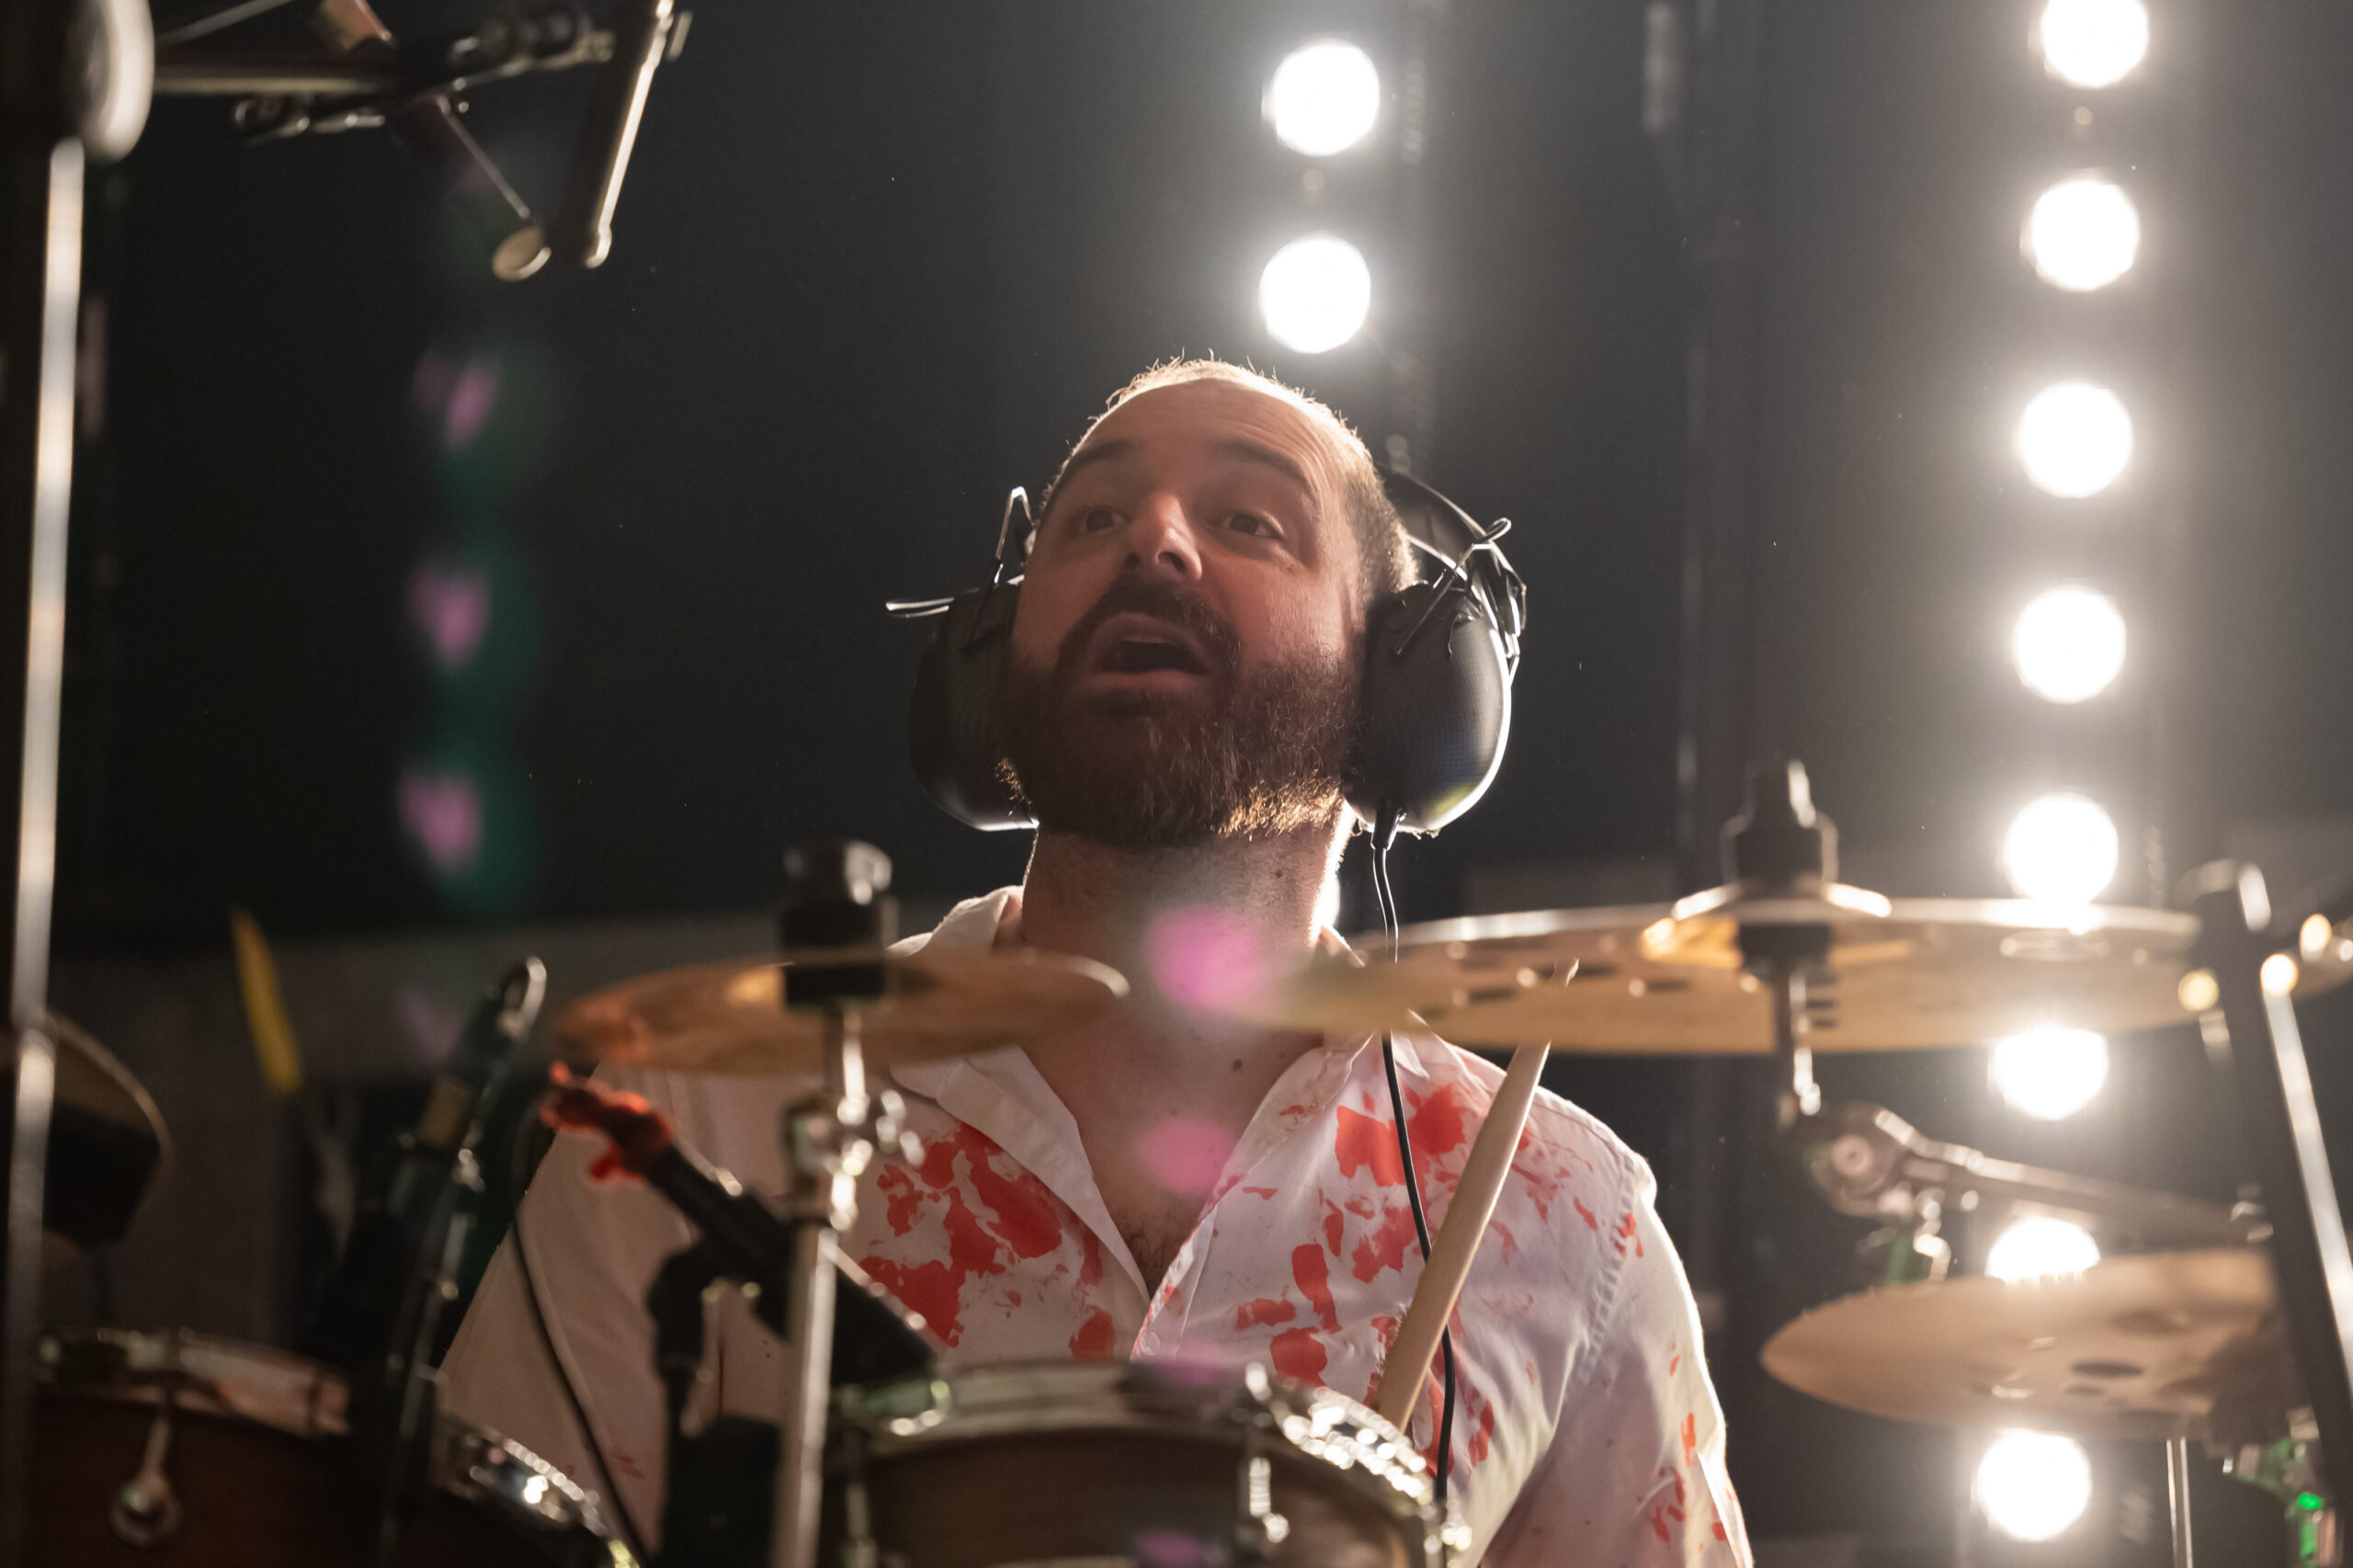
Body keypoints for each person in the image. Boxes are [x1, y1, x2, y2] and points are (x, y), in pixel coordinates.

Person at [441, 358, 1751, 1565]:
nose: (1154, 538)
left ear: (1404, 694)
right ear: (991, 658)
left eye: (1250, 521)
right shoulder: (710, 1112)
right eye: (1092, 518)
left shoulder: (1561, 1224)